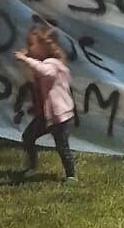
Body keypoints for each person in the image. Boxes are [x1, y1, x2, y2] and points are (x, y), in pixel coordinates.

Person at [15, 27, 77, 182]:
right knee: (28, 136)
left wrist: (26, 59)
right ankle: (31, 166)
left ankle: (71, 175)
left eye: (31, 45)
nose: (28, 48)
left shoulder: (53, 64)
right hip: (46, 114)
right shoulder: (44, 63)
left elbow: (46, 72)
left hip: (59, 115)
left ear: (44, 47)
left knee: (62, 146)